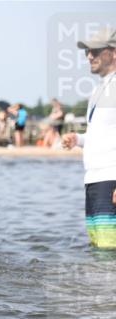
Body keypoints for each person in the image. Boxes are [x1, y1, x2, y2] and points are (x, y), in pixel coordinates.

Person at [62, 27, 116, 248]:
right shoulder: (100, 88)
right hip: (94, 179)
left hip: (110, 180)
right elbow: (103, 133)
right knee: (99, 248)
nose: (89, 56)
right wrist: (79, 139)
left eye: (95, 51)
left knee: (109, 250)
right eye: (87, 52)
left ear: (113, 53)